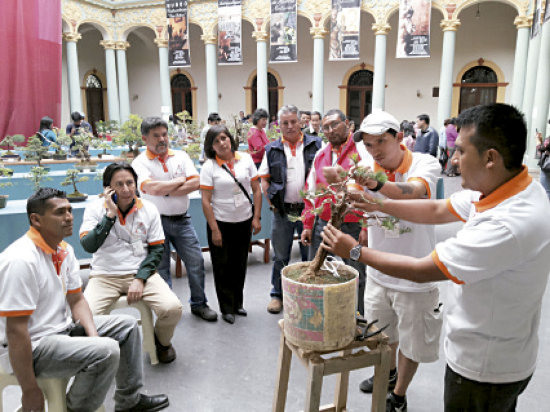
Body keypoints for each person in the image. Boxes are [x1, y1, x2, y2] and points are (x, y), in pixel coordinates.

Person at [321, 103, 550, 412]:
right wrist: (376, 206)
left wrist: (354, 252)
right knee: (383, 333)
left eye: (460, 151)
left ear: (491, 158)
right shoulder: (509, 190)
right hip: (493, 348)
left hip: (485, 366)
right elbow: (438, 209)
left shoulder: (506, 224)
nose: (452, 161)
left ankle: (398, 394)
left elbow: (420, 270)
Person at [0, 188, 169, 412]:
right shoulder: (21, 260)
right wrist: (30, 390)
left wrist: (93, 336)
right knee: (107, 351)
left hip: (61, 331)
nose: (69, 217)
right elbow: (16, 331)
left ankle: (129, 401)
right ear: (36, 220)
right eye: (60, 212)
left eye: (69, 210)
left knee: (126, 327)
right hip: (34, 346)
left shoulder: (64, 250)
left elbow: (77, 300)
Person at [322, 110, 441, 412]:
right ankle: (387, 374)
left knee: (413, 343)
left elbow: (413, 193)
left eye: (381, 142)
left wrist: (373, 185)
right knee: (382, 335)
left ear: (399, 138)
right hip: (377, 271)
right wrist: (340, 186)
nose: (375, 150)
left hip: (416, 274)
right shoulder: (365, 167)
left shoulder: (424, 163)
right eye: (369, 144)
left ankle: (398, 395)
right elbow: (352, 195)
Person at [80, 162, 183, 364]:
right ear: (108, 188)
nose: (126, 189)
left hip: (141, 274)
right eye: (119, 184)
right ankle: (100, 351)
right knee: (83, 320)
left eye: (130, 183)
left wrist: (140, 278)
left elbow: (156, 250)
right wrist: (109, 216)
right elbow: (89, 246)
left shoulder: (149, 209)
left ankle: (161, 342)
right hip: (104, 276)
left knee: (172, 309)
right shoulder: (94, 209)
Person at [132, 117, 218, 322]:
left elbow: (196, 182)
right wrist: (179, 182)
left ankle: (199, 303)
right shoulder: (139, 162)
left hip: (182, 220)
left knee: (196, 261)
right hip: (154, 224)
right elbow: (150, 188)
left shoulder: (180, 156)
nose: (162, 139)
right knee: (161, 269)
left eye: (164, 134)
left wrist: (167, 190)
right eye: (156, 136)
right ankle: (168, 310)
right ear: (145, 138)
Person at [300, 109, 367, 315]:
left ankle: (357, 317)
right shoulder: (321, 155)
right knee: (315, 269)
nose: (329, 130)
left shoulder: (362, 153)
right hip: (324, 223)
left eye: (334, 125)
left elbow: (371, 191)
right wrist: (307, 224)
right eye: (325, 127)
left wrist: (365, 225)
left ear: (347, 124)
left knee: (357, 273)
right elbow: (311, 191)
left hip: (353, 226)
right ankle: (315, 315)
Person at [258, 105, 322, 314]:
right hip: (283, 212)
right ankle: (277, 295)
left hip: (308, 212)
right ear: (279, 125)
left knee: (310, 255)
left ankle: (308, 294)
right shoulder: (272, 149)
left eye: (293, 121)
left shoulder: (316, 145)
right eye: (285, 123)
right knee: (280, 256)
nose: (290, 126)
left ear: (300, 122)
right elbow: (264, 179)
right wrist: (272, 204)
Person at [200, 126, 262, 324]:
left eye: (223, 138)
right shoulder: (209, 167)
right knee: (222, 266)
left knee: (239, 263)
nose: (221, 143)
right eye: (216, 141)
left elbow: (257, 190)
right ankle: (226, 308)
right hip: (221, 223)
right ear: (211, 147)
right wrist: (215, 230)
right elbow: (205, 200)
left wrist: (256, 217)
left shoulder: (245, 159)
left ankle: (237, 303)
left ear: (230, 139)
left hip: (244, 221)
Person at [536, 129, 550, 198]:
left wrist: (538, 141)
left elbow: (540, 151)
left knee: (546, 191)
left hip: (548, 167)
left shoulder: (549, 139)